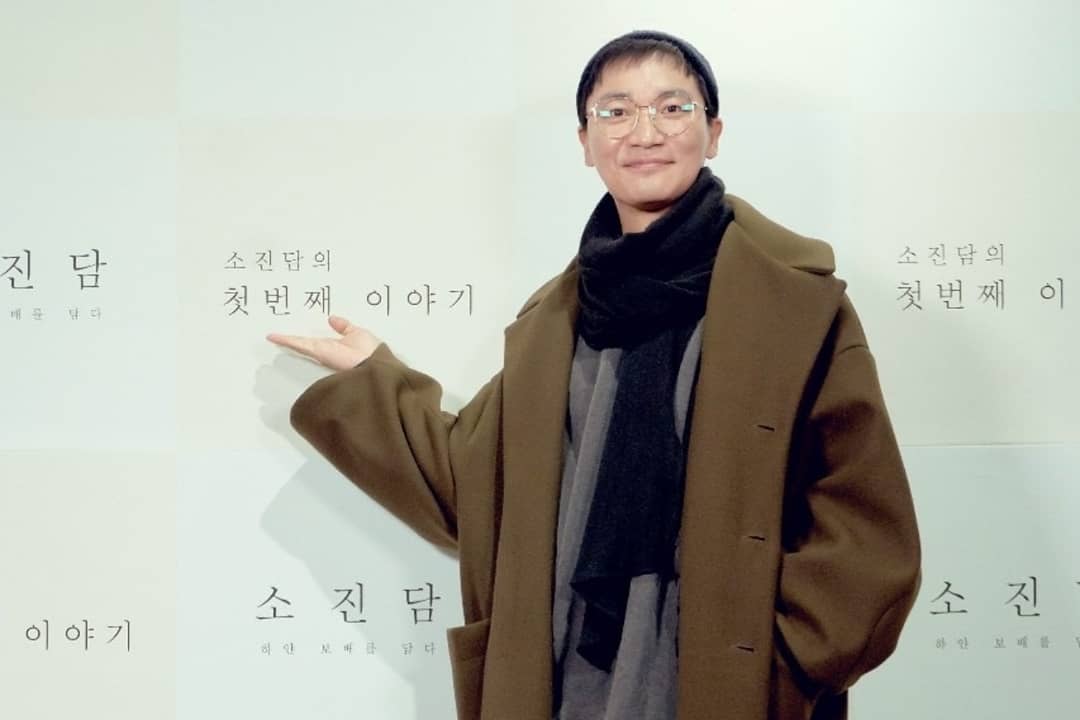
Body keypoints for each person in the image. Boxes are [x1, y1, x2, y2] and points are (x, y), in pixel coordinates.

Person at [268, 30, 921, 720]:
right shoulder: (555, 321)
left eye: (673, 107)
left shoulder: (795, 304)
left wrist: (780, 661)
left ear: (714, 132)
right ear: (585, 141)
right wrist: (373, 374)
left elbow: (867, 528)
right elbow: (480, 485)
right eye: (616, 111)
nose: (645, 132)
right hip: (565, 683)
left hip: (722, 684)